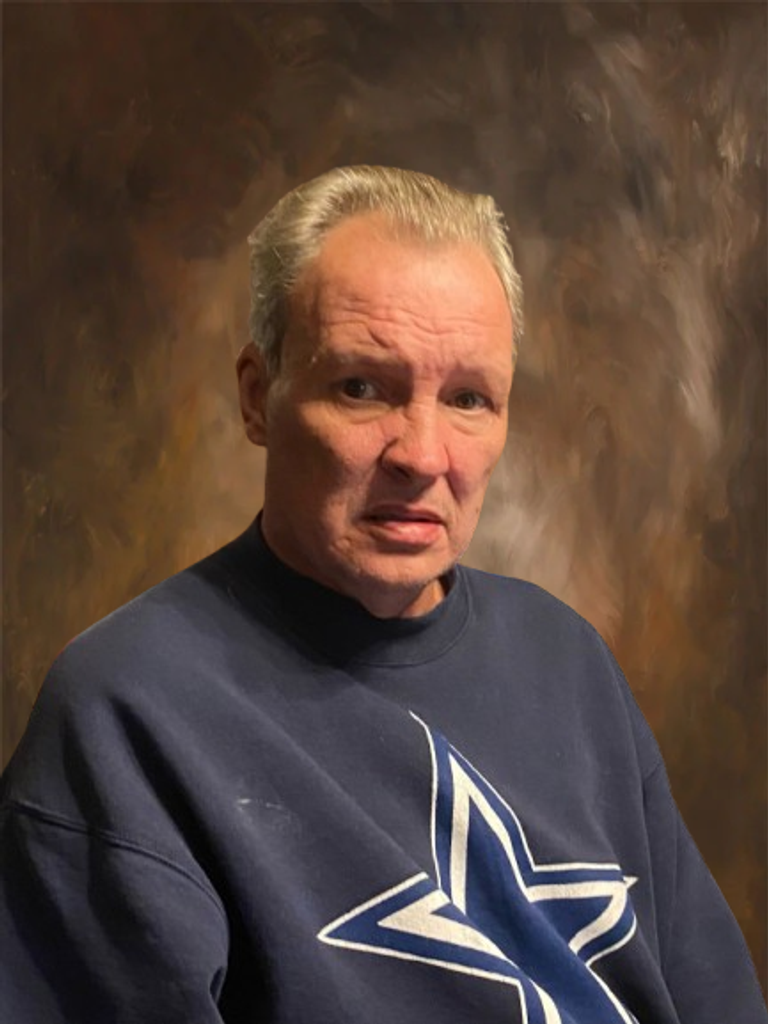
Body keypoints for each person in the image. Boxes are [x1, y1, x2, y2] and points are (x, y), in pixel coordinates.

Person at [1, 165, 765, 1024]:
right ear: (258, 398)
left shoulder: (567, 660)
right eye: (362, 387)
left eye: (469, 399)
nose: (424, 455)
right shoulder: (126, 715)